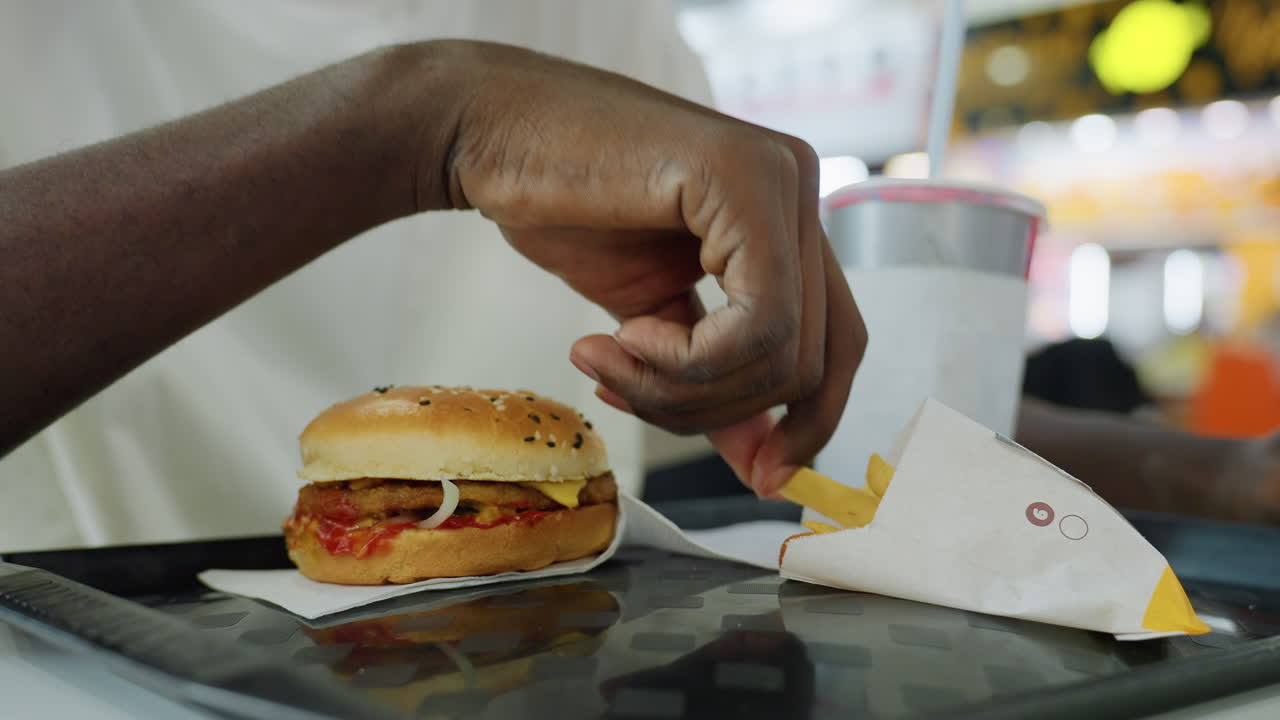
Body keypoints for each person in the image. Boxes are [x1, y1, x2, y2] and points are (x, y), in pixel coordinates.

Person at [0, 3, 865, 551]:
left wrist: (712, 382)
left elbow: (684, 378)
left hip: (560, 646)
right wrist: (423, 121)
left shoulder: (622, 24)